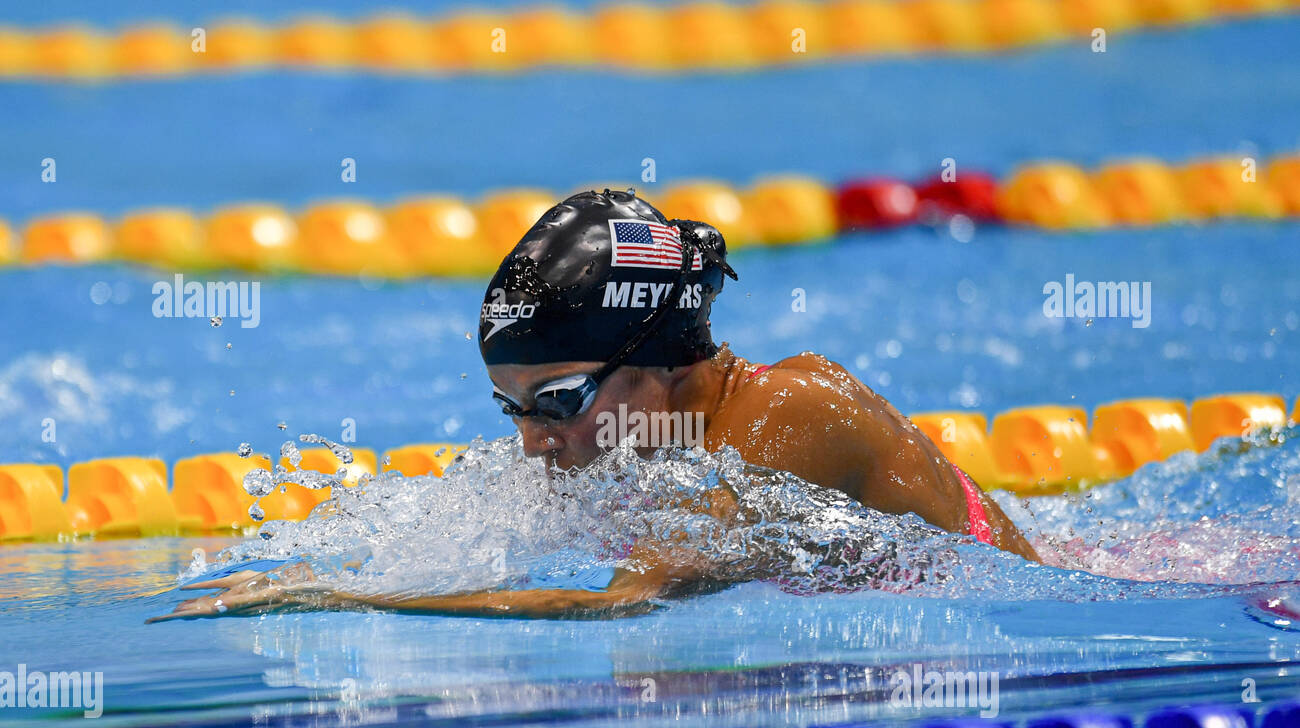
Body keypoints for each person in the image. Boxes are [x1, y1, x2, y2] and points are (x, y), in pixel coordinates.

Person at [152, 189, 1037, 623]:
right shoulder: (630, 443)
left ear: (653, 354)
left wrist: (340, 596)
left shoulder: (788, 415)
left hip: (1024, 621)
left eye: (558, 401)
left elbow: (616, 604)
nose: (537, 445)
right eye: (515, 410)